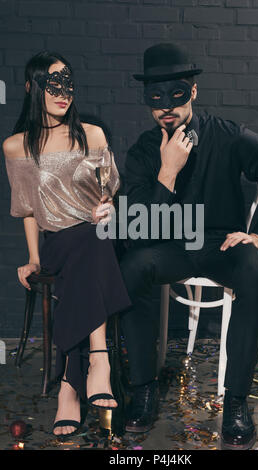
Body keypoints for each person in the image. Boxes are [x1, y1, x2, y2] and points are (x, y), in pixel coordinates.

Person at [118, 43, 258, 450]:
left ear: (193, 92)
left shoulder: (229, 136)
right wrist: (167, 172)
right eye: (156, 98)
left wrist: (256, 235)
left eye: (176, 94)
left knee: (254, 271)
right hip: (167, 245)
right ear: (147, 102)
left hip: (221, 244)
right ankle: (143, 388)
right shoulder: (144, 153)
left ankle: (236, 401)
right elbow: (138, 231)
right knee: (131, 266)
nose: (166, 106)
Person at [2, 51, 132, 439]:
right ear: (32, 88)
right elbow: (27, 210)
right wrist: (33, 258)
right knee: (82, 241)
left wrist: (108, 207)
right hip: (58, 242)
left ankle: (69, 386)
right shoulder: (16, 146)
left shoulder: (92, 134)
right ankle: (98, 361)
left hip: (100, 238)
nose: (63, 93)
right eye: (52, 84)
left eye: (67, 83)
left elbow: (109, 191)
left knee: (93, 236)